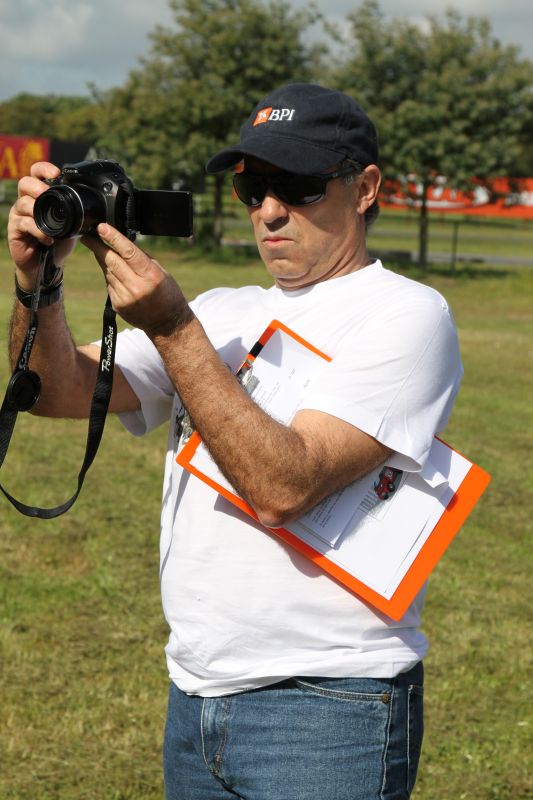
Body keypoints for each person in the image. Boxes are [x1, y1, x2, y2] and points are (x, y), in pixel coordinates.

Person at [7, 82, 463, 799]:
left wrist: (172, 327)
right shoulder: (223, 310)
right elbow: (55, 390)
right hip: (195, 691)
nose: (270, 210)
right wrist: (40, 281)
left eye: (299, 185)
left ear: (366, 188)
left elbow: (284, 486)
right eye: (253, 189)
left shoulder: (406, 314)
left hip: (329, 703)